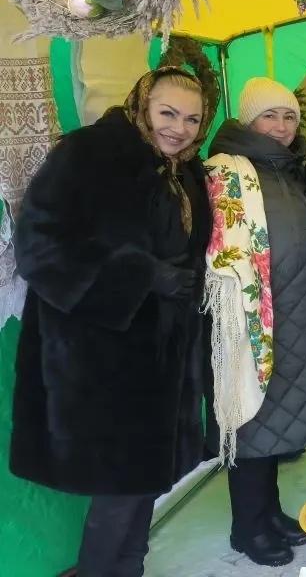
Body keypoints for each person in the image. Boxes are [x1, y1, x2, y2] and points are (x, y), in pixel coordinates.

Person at [9, 67, 216, 577]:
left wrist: (186, 285)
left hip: (162, 355)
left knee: (144, 482)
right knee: (120, 490)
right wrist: (141, 276)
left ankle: (130, 569)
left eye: (192, 119)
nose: (179, 128)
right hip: (101, 357)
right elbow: (38, 247)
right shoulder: (88, 154)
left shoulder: (185, 169)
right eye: (168, 113)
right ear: (142, 105)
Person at [204, 77, 306, 566]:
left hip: (295, 315)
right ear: (247, 120)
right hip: (252, 318)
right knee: (252, 422)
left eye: (289, 116)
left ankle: (268, 513)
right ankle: (247, 528)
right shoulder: (227, 169)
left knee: (275, 422)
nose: (281, 126)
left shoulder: (287, 169)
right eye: (269, 116)